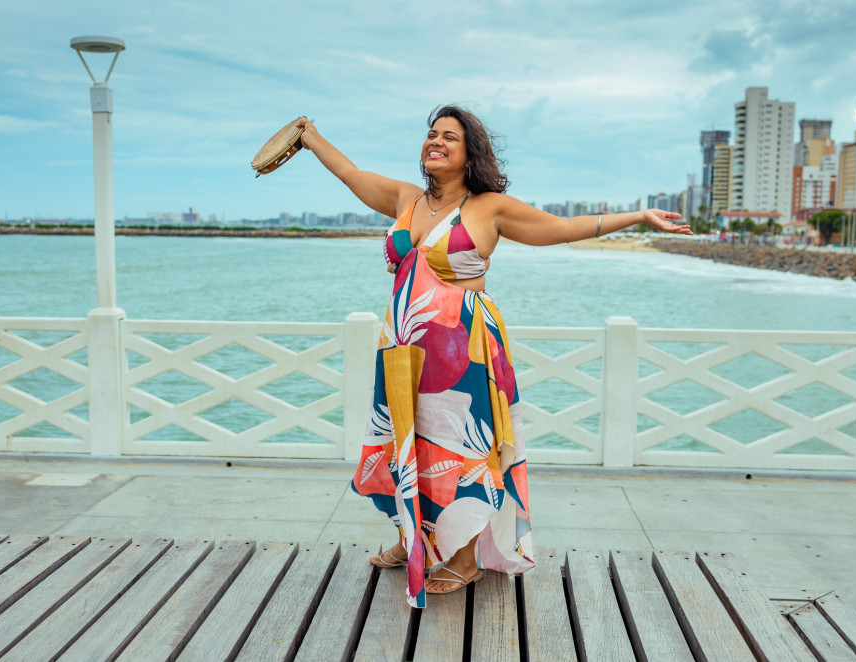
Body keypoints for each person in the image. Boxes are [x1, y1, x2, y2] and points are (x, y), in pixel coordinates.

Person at [294, 107, 691, 607]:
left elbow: (563, 228)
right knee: (405, 442)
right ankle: (412, 537)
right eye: (431, 135)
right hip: (402, 345)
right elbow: (351, 173)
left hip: (463, 350)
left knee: (460, 454)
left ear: (469, 152)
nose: (435, 142)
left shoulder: (490, 208)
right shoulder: (405, 199)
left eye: (449, 137)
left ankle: (465, 557)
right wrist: (311, 138)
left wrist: (638, 216)